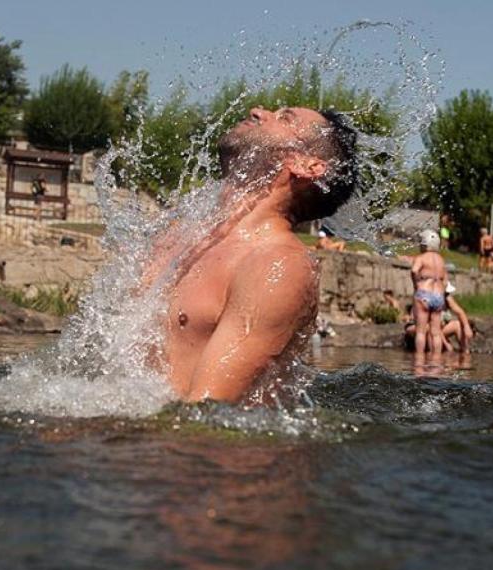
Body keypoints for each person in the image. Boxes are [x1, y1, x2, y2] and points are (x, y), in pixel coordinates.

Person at [148, 106, 359, 402]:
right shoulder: (175, 237)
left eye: (286, 119)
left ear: (308, 165)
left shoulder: (279, 267)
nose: (258, 111)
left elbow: (204, 418)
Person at [411, 229, 448, 358]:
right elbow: (445, 280)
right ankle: (436, 362)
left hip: (424, 293)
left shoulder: (421, 257)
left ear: (424, 244)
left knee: (420, 331)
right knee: (436, 332)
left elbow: (414, 270)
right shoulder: (441, 260)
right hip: (438, 296)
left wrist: (416, 285)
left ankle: (419, 363)